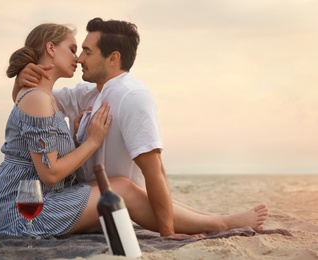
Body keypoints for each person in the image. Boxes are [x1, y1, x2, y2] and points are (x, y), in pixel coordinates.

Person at [14, 18, 269, 238]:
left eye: (87, 52)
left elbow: (154, 167)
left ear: (113, 58)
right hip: (83, 194)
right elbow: (36, 103)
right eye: (77, 50)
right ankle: (223, 221)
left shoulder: (132, 97)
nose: (80, 58)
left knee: (131, 187)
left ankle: (221, 221)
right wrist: (21, 80)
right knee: (125, 186)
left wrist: (167, 232)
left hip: (98, 196)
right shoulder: (89, 93)